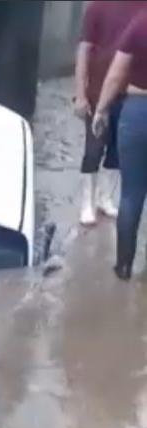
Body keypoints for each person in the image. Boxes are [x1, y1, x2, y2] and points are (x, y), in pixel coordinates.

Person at [74, 1, 146, 226]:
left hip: (130, 93)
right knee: (93, 149)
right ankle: (87, 201)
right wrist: (80, 94)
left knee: (117, 152)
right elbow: (84, 50)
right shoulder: (97, 6)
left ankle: (104, 197)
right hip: (97, 91)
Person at [93, 9, 147, 280]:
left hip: (137, 111)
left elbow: (116, 74)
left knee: (130, 195)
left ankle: (124, 266)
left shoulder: (141, 22)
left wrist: (101, 109)